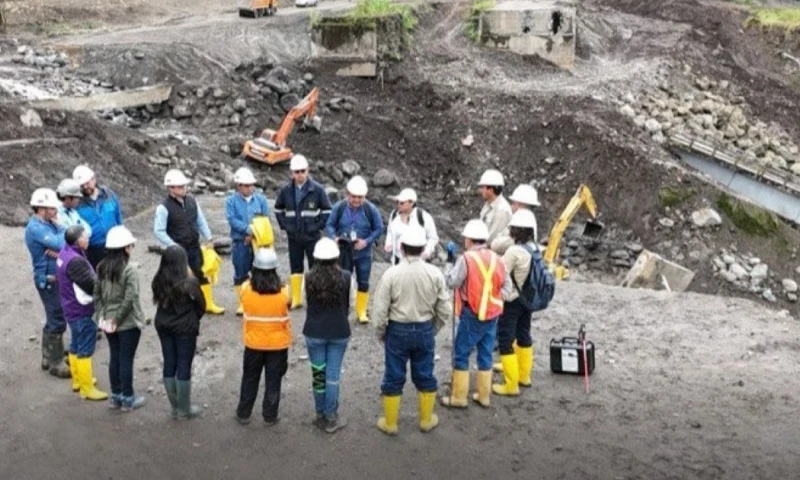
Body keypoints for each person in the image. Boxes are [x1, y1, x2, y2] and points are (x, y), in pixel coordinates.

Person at [372, 226, 452, 435]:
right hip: (424, 328)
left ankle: (390, 423)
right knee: (425, 373)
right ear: (424, 248)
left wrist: (381, 332)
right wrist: (431, 329)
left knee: (393, 375)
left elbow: (380, 310)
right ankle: (426, 420)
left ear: (401, 247)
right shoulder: (434, 273)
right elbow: (445, 309)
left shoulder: (391, 274)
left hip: (397, 330)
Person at [440, 220, 511, 409]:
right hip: (493, 314)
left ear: (469, 240)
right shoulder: (498, 258)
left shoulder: (466, 259)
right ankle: (483, 396)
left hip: (472, 313)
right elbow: (507, 287)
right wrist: (494, 300)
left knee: (461, 353)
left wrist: (449, 261)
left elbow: (452, 282)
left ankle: (459, 397)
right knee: (485, 353)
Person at [154, 169, 225, 315]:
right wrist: (173, 245)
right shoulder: (163, 208)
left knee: (201, 273)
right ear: (171, 188)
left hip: (194, 246)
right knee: (179, 278)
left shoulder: (192, 201)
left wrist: (209, 237)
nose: (183, 188)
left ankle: (208, 304)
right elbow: (158, 230)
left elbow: (200, 220)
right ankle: (182, 307)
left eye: (184, 186)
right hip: (178, 251)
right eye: (180, 186)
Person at [235, 248, 291, 426]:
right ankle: (270, 416)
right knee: (273, 381)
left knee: (250, 378)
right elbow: (288, 306)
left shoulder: (245, 289)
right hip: (277, 344)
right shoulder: (284, 292)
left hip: (253, 343)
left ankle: (243, 413)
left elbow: (244, 300)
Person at [94, 225, 146, 412]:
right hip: (128, 323)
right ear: (125, 248)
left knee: (115, 357)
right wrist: (118, 319)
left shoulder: (101, 267)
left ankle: (116, 397)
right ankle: (128, 398)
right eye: (131, 245)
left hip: (107, 321)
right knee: (126, 360)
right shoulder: (129, 270)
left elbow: (97, 295)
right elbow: (130, 297)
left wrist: (103, 316)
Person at [152, 245, 206, 420]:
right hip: (184, 328)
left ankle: (175, 408)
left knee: (169, 362)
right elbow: (201, 305)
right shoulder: (189, 282)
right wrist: (194, 318)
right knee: (184, 365)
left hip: (163, 325)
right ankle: (185, 409)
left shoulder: (158, 280)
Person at [303, 237, 350, 433]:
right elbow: (352, 303)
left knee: (318, 375)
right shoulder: (346, 277)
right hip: (339, 331)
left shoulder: (308, 278)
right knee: (332, 376)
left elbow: (306, 304)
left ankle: (319, 413)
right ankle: (331, 417)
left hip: (314, 332)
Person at [274, 154, 332, 310]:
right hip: (294, 237)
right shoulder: (286, 191)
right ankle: (297, 299)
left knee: (315, 268)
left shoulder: (318, 190)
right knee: (295, 267)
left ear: (308, 171)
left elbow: (327, 211)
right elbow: (278, 209)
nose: (300, 175)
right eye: (296, 171)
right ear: (291, 172)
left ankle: (315, 298)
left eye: (302, 171)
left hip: (312, 237)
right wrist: (286, 226)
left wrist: (317, 227)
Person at [56, 225, 108, 400]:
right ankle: (87, 388)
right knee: (85, 347)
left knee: (75, 344)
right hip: (81, 309)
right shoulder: (76, 261)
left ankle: (78, 381)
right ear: (78, 240)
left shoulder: (64, 253)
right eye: (85, 236)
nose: (88, 239)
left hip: (69, 307)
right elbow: (91, 285)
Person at [325, 175, 384, 324]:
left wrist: (366, 241)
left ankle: (361, 311)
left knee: (363, 281)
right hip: (344, 251)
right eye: (353, 197)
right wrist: (334, 237)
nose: (356, 200)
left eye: (360, 197)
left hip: (363, 253)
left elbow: (379, 228)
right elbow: (330, 224)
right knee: (343, 280)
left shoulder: (370, 209)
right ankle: (342, 310)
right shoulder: (339, 207)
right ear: (347, 194)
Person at [25, 188, 70, 378]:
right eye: (51, 208)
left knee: (53, 314)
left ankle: (48, 354)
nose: (55, 212)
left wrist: (60, 242)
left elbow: (64, 243)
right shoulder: (36, 228)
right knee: (57, 317)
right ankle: (55, 362)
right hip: (48, 279)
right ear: (41, 209)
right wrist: (62, 231)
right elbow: (63, 243)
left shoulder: (48, 224)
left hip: (54, 277)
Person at [492, 209, 538, 396]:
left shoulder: (514, 251)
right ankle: (523, 375)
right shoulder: (535, 248)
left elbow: (499, 273)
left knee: (505, 339)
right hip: (527, 300)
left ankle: (511, 385)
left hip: (512, 300)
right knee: (524, 335)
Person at [226, 167, 270, 315]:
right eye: (246, 185)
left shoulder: (261, 200)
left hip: (258, 242)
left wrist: (254, 234)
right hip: (240, 242)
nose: (249, 188)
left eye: (251, 184)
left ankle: (259, 301)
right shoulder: (231, 201)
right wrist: (248, 230)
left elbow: (265, 219)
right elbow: (232, 220)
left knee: (260, 272)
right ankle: (243, 303)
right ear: (238, 186)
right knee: (241, 272)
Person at [72, 165, 123, 269]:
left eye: (87, 183)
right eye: (82, 185)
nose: (85, 187)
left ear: (94, 179)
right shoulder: (77, 204)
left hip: (114, 245)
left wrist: (122, 238)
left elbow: (118, 217)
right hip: (93, 250)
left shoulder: (109, 195)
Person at [383, 188, 438, 265]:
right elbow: (390, 231)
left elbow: (433, 237)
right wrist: (388, 243)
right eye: (397, 202)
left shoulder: (423, 217)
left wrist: (427, 252)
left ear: (411, 203)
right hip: (398, 260)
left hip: (417, 261)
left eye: (402, 203)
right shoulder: (394, 215)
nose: (399, 205)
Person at [490, 184, 540, 255]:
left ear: (521, 205)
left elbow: (497, 245)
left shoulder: (521, 222)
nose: (511, 206)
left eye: (514, 203)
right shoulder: (530, 219)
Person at [477, 169, 512, 245]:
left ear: (491, 190)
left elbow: (490, 240)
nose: (480, 190)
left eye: (483, 187)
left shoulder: (502, 211)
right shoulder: (488, 204)